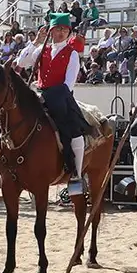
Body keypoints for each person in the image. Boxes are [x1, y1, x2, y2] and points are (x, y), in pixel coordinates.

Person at [16, 13, 96, 192]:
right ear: (51, 30)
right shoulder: (40, 50)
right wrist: (36, 41)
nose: (61, 32)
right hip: (39, 95)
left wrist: (51, 96)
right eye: (58, 29)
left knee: (75, 133)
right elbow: (21, 62)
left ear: (69, 32)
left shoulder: (72, 54)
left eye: (64, 29)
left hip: (61, 98)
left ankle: (75, 174)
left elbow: (68, 84)